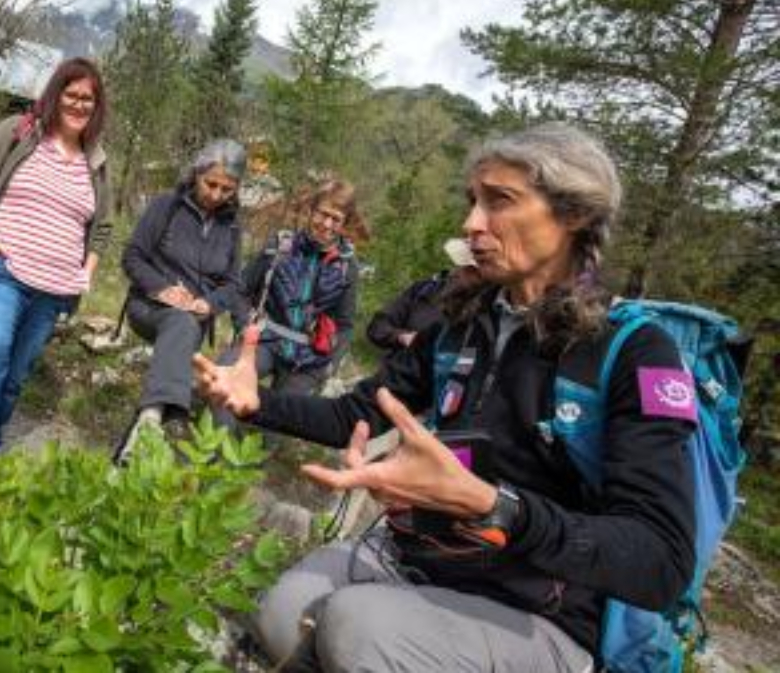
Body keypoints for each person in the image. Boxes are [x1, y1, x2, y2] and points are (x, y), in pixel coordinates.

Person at [196, 123, 696, 672]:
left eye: (499, 201)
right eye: (473, 201)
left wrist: (492, 506)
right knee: (283, 615)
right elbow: (355, 414)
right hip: (424, 560)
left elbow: (662, 561)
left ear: (574, 213)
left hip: (539, 611)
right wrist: (255, 402)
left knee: (355, 629)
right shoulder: (463, 325)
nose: (471, 224)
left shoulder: (633, 350)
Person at [0, 57, 112, 456]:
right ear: (55, 94)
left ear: (96, 106)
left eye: (87, 99)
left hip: (53, 289)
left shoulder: (97, 161)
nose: (78, 105)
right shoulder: (20, 132)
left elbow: (103, 229)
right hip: (1, 270)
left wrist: (85, 274)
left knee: (15, 374)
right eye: (71, 94)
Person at [115, 139, 250, 459]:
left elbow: (233, 284)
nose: (216, 195)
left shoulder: (231, 227)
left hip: (195, 319)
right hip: (149, 307)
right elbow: (133, 257)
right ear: (196, 174)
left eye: (227, 189)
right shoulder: (167, 206)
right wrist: (163, 289)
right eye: (211, 184)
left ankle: (146, 426)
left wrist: (211, 304)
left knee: (182, 329)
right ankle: (172, 416)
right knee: (179, 322)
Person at [211, 178, 363, 432]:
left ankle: (248, 464)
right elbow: (241, 290)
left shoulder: (347, 267)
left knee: (279, 423)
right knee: (227, 376)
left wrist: (330, 365)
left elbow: (345, 324)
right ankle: (212, 453)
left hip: (310, 359)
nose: (326, 224)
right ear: (311, 211)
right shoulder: (281, 246)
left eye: (335, 219)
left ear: (344, 224)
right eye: (323, 214)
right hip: (265, 340)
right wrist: (244, 325)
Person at [364, 238, 478, 354]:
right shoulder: (424, 289)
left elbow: (470, 362)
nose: (458, 271)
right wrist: (402, 337)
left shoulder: (486, 313)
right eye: (460, 263)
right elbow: (377, 326)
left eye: (469, 269)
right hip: (396, 368)